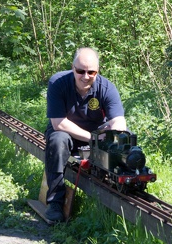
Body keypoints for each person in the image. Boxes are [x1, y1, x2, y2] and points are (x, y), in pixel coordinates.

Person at [44, 47, 127, 222]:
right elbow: (58, 123)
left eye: (91, 72)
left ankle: (118, 196)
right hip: (65, 132)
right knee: (57, 140)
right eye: (80, 71)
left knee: (124, 138)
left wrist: (115, 135)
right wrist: (92, 138)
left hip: (94, 134)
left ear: (97, 71)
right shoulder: (58, 83)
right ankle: (56, 203)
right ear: (73, 68)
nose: (86, 76)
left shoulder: (106, 88)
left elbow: (119, 121)